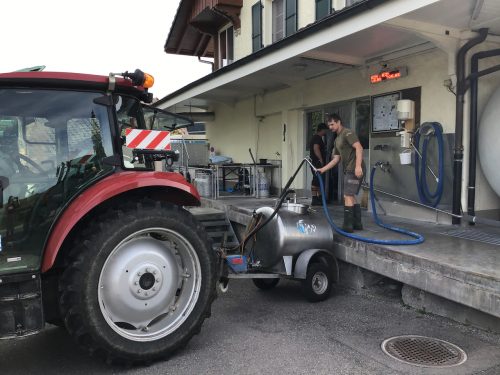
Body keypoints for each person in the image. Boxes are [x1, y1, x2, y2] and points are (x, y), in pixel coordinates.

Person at [318, 114, 364, 232]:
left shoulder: (347, 133)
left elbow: (359, 148)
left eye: (332, 124)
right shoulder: (337, 139)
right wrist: (323, 169)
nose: (331, 127)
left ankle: (348, 226)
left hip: (354, 168)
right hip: (348, 168)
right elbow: (336, 159)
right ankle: (357, 224)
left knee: (347, 195)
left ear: (339, 122)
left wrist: (358, 167)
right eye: (329, 125)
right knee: (350, 195)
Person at [309, 123, 328, 206]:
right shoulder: (317, 138)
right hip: (317, 163)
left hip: (316, 162)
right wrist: (321, 159)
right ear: (322, 130)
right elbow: (316, 148)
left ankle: (320, 198)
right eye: (325, 130)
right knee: (316, 180)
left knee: (320, 180)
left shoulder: (317, 138)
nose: (326, 132)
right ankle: (314, 199)